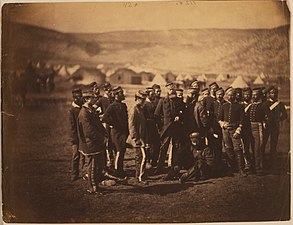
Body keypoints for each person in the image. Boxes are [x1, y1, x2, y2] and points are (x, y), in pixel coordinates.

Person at [77, 90, 108, 194]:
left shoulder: (90, 110)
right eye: (92, 98)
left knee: (97, 166)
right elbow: (89, 132)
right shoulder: (84, 113)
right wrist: (102, 139)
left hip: (95, 144)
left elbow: (98, 124)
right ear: (86, 99)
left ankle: (96, 186)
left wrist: (105, 134)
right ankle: (93, 188)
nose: (95, 99)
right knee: (92, 167)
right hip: (90, 145)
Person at [154, 83, 185, 179]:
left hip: (176, 128)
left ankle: (173, 168)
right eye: (170, 89)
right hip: (166, 129)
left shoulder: (178, 101)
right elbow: (156, 115)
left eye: (173, 89)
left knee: (176, 147)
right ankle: (159, 168)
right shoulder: (163, 101)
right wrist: (160, 127)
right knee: (163, 148)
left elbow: (183, 112)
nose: (172, 91)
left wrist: (179, 117)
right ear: (167, 90)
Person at [219, 87, 247, 176]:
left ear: (235, 96)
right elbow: (219, 118)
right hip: (225, 131)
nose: (230, 97)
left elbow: (242, 120)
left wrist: (239, 130)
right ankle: (232, 168)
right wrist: (222, 124)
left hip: (235, 130)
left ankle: (240, 169)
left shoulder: (239, 106)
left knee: (238, 149)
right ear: (226, 96)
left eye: (232, 95)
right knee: (228, 149)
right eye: (228, 95)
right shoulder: (224, 106)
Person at [102, 86, 129, 178]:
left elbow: (125, 120)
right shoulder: (112, 106)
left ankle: (120, 170)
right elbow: (105, 117)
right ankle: (117, 172)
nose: (123, 94)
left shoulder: (123, 105)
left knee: (122, 152)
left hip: (123, 133)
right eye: (121, 93)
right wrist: (114, 124)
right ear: (117, 95)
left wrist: (127, 131)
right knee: (118, 152)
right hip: (116, 133)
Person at [262, 86, 287, 171]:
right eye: (272, 93)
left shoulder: (280, 104)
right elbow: (262, 115)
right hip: (266, 127)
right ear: (269, 94)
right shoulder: (265, 104)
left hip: (275, 127)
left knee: (273, 145)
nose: (274, 94)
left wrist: (278, 119)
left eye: (275, 93)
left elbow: (284, 115)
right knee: (263, 144)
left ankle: (272, 163)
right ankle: (262, 161)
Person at [247, 87, 270, 175]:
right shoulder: (251, 105)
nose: (254, 96)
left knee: (258, 148)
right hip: (250, 127)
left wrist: (264, 122)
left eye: (256, 94)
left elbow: (269, 117)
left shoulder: (263, 105)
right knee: (252, 148)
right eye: (253, 94)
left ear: (259, 95)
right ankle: (253, 167)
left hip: (258, 127)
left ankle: (259, 168)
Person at [129, 90, 150, 184]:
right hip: (138, 138)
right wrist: (135, 139)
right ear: (137, 98)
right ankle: (139, 177)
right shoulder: (134, 109)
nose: (144, 101)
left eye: (144, 99)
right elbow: (132, 125)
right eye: (142, 99)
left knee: (141, 157)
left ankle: (140, 176)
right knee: (142, 157)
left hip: (142, 137)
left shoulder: (139, 108)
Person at [69, 88, 86, 181]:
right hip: (75, 137)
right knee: (76, 155)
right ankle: (74, 174)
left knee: (84, 155)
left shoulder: (82, 107)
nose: (81, 98)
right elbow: (72, 127)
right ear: (75, 98)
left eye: (81, 96)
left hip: (83, 135)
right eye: (79, 97)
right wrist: (75, 139)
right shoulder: (72, 110)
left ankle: (84, 172)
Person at [144, 87, 161, 168]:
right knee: (148, 144)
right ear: (148, 95)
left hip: (154, 126)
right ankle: (147, 161)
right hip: (147, 127)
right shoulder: (144, 105)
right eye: (152, 94)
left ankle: (154, 161)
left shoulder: (154, 103)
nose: (154, 95)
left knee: (157, 144)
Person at [241, 87, 253, 172]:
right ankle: (247, 163)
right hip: (243, 129)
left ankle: (254, 162)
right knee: (244, 147)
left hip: (252, 128)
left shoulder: (253, 105)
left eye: (248, 94)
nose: (247, 95)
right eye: (245, 94)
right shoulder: (240, 105)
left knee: (254, 146)